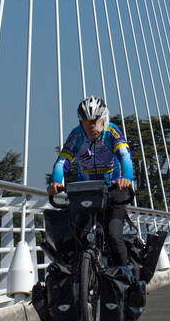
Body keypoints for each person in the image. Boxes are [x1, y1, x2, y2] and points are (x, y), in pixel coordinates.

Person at [48, 96, 135, 267]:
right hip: (86, 191)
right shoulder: (76, 135)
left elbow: (125, 156)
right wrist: (56, 182)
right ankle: (79, 279)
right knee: (76, 237)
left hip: (113, 189)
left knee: (114, 237)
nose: (91, 126)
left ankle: (124, 279)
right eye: (86, 121)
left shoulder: (112, 132)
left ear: (104, 119)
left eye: (95, 120)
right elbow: (62, 161)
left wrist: (127, 178)